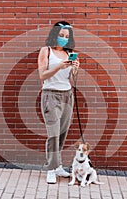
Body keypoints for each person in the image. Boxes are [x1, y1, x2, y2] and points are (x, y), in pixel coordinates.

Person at [38, 21, 80, 184]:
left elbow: (71, 79)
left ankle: (57, 166)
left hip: (67, 95)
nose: (63, 38)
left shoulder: (70, 53)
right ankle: (50, 168)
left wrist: (75, 68)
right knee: (53, 133)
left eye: (66, 36)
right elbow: (42, 75)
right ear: (54, 34)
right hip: (50, 95)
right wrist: (59, 66)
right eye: (61, 35)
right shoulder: (46, 51)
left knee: (62, 133)